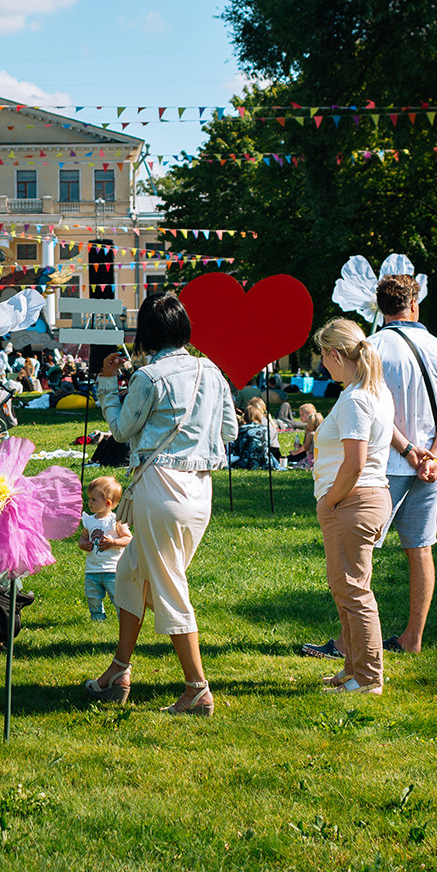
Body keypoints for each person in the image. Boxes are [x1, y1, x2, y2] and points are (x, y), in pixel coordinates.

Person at [82, 292, 237, 716]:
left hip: (160, 486)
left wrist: (108, 386)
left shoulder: (151, 377)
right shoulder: (213, 372)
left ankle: (197, 687)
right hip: (199, 489)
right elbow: (230, 431)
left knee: (168, 585)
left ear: (147, 334)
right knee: (132, 573)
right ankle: (118, 669)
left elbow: (119, 429)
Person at [365, 272, 437, 654]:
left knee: (361, 550)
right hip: (429, 468)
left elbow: (370, 412)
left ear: (381, 307)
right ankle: (412, 638)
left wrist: (408, 451)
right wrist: (434, 455)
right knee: (420, 549)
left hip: (384, 462)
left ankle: (352, 639)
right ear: (414, 304)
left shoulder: (370, 348)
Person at [307, 317, 396, 696]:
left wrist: (330, 500)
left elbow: (355, 462)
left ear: (332, 353)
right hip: (362, 500)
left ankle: (369, 678)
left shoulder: (357, 398)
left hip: (353, 501)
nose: (321, 364)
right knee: (347, 588)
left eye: (321, 356)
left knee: (355, 592)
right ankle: (352, 669)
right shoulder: (371, 391)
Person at [78, 475, 131, 621]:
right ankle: (97, 618)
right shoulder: (89, 520)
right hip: (92, 569)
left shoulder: (116, 520)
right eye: (89, 498)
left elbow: (128, 539)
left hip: (112, 569)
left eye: (94, 500)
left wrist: (113, 542)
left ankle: (124, 618)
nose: (90, 502)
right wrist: (84, 544)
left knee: (117, 596)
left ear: (107, 503)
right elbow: (83, 537)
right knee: (92, 596)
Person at [227, 395, 282, 469]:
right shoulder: (266, 428)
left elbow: (236, 449)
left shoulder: (242, 429)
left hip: (247, 461)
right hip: (264, 460)